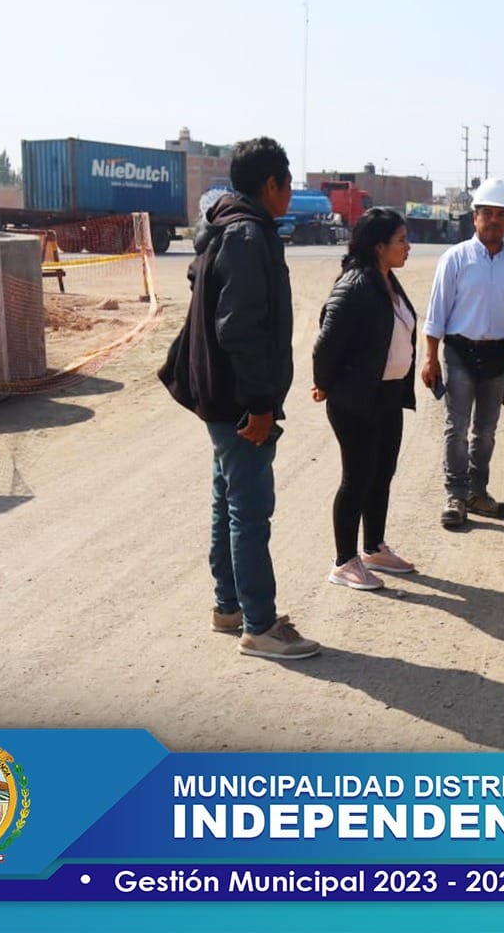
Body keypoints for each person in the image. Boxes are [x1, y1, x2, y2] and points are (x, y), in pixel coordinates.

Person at [174, 137, 320, 660]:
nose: (290, 194)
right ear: (271, 184)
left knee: (229, 502)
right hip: (237, 399)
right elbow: (239, 329)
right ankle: (259, 626)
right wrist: (259, 404)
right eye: (288, 184)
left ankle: (229, 606)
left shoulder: (225, 225)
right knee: (250, 513)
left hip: (219, 393)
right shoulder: (247, 234)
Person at [313, 207, 419, 590]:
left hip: (388, 394)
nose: (408, 246)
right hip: (357, 398)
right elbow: (326, 343)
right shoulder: (355, 284)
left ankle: (374, 547)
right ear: (379, 246)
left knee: (382, 473)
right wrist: (323, 382)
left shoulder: (388, 280)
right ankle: (344, 562)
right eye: (401, 240)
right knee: (357, 478)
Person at [421, 178, 504, 529]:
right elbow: (436, 313)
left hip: (497, 357)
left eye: (501, 214)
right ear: (475, 217)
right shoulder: (455, 259)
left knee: (485, 430)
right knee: (457, 427)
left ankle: (477, 492)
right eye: (487, 213)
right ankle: (456, 494)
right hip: (459, 352)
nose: (494, 220)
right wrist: (430, 357)